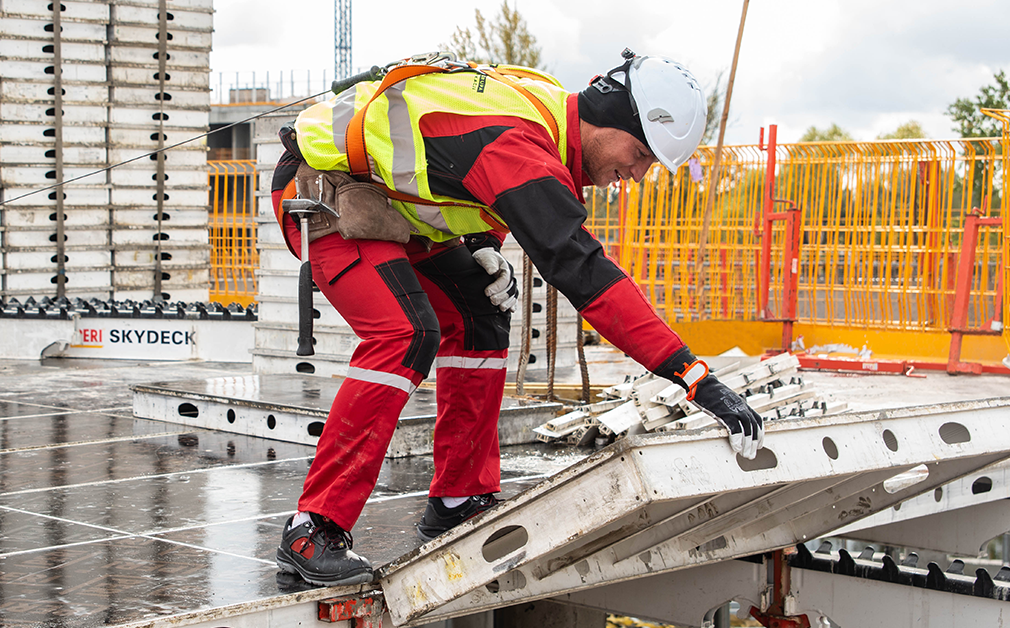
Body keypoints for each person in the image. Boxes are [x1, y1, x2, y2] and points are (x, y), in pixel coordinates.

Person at [268, 48, 765, 586]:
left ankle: (458, 498)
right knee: (405, 333)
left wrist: (481, 242)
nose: (638, 174)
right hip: (322, 193)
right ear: (616, 121)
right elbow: (583, 273)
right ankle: (312, 528)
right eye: (642, 154)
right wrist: (692, 376)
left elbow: (452, 167)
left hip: (388, 206)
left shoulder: (547, 115)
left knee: (480, 313)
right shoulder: (519, 145)